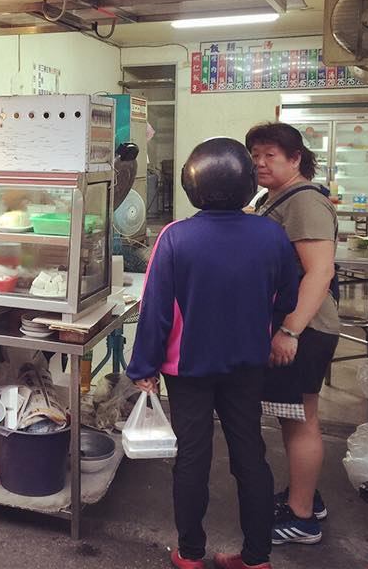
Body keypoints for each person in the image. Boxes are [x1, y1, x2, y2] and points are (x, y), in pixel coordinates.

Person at [127, 137, 300, 569]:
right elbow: (288, 296)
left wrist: (143, 367)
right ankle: (257, 557)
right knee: (250, 454)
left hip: (187, 369)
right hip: (247, 362)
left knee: (192, 456)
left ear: (191, 185)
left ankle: (190, 554)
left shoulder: (174, 238)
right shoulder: (271, 234)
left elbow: (155, 311)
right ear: (247, 184)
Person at [246, 121, 340, 547]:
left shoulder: (304, 201)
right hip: (298, 326)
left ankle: (302, 519)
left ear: (295, 158)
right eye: (255, 155)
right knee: (294, 417)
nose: (260, 163)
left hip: (305, 327)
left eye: (270, 155)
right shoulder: (277, 197)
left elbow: (321, 272)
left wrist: (289, 330)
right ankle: (306, 496)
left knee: (300, 420)